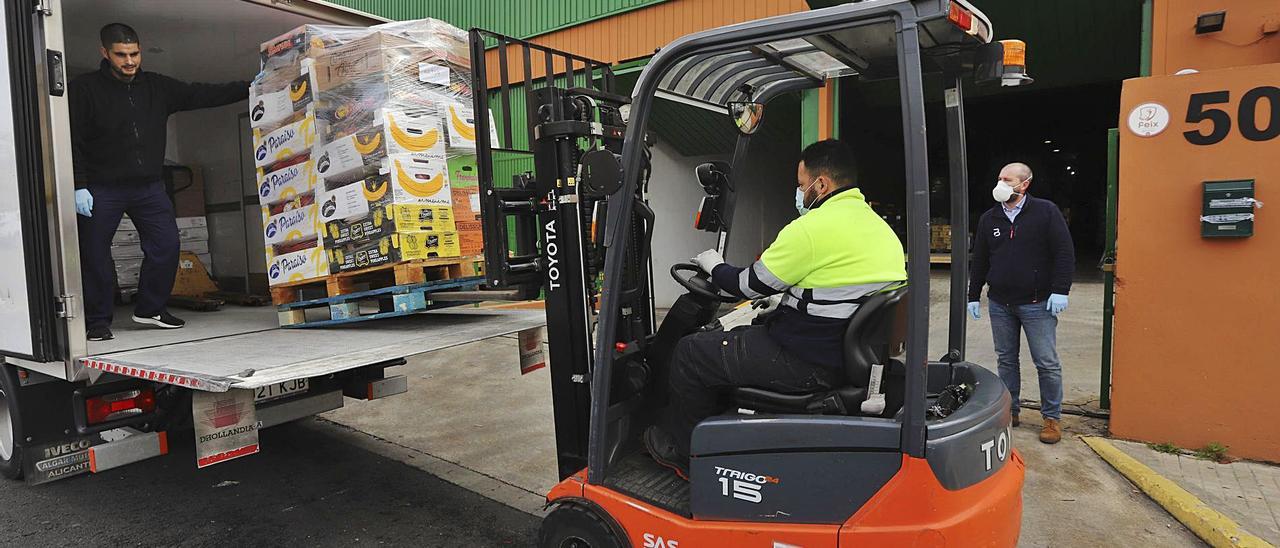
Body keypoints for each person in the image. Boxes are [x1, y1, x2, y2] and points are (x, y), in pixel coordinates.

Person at [643, 139, 907, 478]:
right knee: (735, 337)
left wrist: (714, 265)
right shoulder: (880, 229)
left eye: (801, 185)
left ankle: (685, 454)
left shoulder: (813, 229)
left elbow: (745, 286)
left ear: (821, 183)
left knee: (691, 352)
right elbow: (837, 287)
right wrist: (786, 301)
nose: (800, 193)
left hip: (807, 360)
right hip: (847, 356)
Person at [71, 23, 249, 341]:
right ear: (104, 53)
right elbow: (73, 140)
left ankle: (150, 309)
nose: (130, 61)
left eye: (135, 53)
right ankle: (97, 319)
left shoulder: (157, 87)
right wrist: (78, 183)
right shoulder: (85, 90)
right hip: (102, 187)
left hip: (149, 187)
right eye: (121, 55)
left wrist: (251, 87)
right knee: (95, 253)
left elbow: (202, 93)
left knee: (167, 246)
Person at [967, 162, 1075, 444]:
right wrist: (972, 295)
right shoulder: (989, 219)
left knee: (1046, 362)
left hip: (1037, 303)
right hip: (1001, 303)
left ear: (1024, 184)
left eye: (1007, 179)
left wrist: (1060, 290)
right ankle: (1010, 411)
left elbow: (1064, 253)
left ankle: (1051, 418)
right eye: (999, 177)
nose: (1001, 183)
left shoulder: (1046, 212)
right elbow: (980, 259)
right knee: (1006, 360)